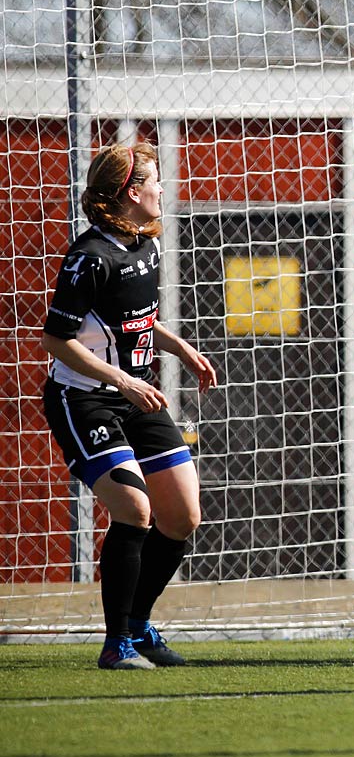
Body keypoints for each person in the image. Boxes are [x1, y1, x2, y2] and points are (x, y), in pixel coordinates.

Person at [40, 142, 218, 670]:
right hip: (85, 398)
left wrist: (181, 347)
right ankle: (115, 644)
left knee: (183, 515)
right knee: (134, 510)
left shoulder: (147, 245)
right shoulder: (89, 256)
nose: (164, 188)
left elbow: (136, 320)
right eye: (155, 180)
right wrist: (122, 379)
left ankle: (139, 627)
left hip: (138, 395)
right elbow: (56, 339)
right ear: (130, 192)